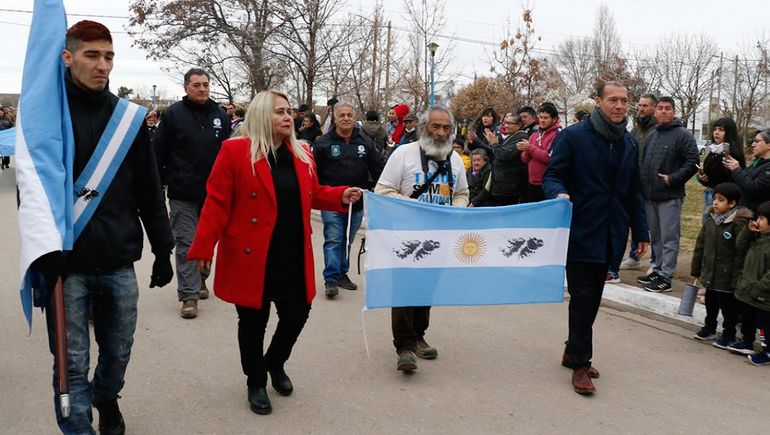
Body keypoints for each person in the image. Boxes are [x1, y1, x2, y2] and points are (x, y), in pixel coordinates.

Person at [28, 20, 174, 433]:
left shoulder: (128, 121)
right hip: (65, 263)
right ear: (68, 57)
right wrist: (43, 254)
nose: (102, 65)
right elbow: (32, 194)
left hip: (116, 259)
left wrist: (163, 249)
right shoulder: (46, 119)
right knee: (71, 362)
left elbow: (149, 187)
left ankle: (107, 395)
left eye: (108, 56)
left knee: (119, 350)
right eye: (92, 55)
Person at [187, 90, 362, 415]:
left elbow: (312, 193)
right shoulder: (235, 151)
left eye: (289, 111)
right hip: (251, 255)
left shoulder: (302, 153)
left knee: (297, 313)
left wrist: (340, 195)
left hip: (292, 253)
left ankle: (274, 363)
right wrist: (204, 246)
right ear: (261, 115)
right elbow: (216, 202)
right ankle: (255, 381)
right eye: (279, 111)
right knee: (253, 322)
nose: (287, 117)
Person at [542, 80, 649, 395]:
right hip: (580, 229)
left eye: (624, 101)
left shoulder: (629, 143)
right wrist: (558, 192)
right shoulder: (573, 137)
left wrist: (641, 232)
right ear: (598, 102)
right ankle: (580, 364)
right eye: (613, 100)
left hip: (612, 234)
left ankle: (571, 349)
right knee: (583, 296)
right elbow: (552, 174)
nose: (619, 106)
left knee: (593, 297)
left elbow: (634, 192)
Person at [374, 106, 469, 372]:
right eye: (435, 127)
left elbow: (462, 193)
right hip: (406, 237)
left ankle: (419, 335)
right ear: (423, 127)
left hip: (439, 239)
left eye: (445, 128)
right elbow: (382, 190)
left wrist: (457, 210)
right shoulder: (403, 155)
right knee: (405, 289)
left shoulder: (455, 160)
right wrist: (413, 207)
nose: (440, 133)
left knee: (426, 289)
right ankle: (404, 346)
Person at [154, 68, 231, 318]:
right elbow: (158, 152)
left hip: (215, 194)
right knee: (187, 243)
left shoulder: (220, 115)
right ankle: (189, 295)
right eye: (196, 85)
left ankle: (200, 278)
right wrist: (161, 182)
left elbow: (230, 153)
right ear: (186, 87)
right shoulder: (174, 115)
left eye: (206, 84)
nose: (202, 89)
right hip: (182, 193)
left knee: (208, 242)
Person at [313, 102, 385, 297]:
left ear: (354, 118)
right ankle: (330, 279)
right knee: (334, 238)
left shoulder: (365, 142)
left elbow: (378, 168)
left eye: (349, 115)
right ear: (335, 119)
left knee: (347, 240)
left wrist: (382, 189)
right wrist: (318, 194)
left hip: (357, 202)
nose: (345, 118)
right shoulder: (323, 143)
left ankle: (342, 273)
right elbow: (314, 174)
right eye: (342, 115)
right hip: (332, 201)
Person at [636, 97, 699, 293]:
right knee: (656, 237)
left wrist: (672, 179)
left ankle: (666, 276)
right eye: (660, 108)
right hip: (650, 195)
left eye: (668, 109)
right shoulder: (653, 134)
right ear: (655, 112)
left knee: (670, 237)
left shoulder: (683, 135)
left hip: (670, 196)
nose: (663, 112)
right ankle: (658, 270)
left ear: (674, 112)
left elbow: (693, 161)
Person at [690, 183, 752, 347]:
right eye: (715, 198)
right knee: (710, 302)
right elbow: (700, 246)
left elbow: (741, 251)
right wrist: (696, 269)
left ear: (732, 204)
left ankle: (729, 333)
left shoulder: (739, 224)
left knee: (728, 307)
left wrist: (738, 276)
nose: (715, 202)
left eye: (721, 200)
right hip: (710, 271)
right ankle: (709, 327)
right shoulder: (710, 220)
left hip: (728, 274)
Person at [617, 94, 658, 272]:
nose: (641, 109)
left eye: (645, 106)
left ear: (654, 108)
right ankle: (635, 257)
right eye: (640, 105)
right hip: (634, 184)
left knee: (654, 225)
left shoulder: (657, 130)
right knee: (635, 220)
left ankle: (656, 261)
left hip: (653, 185)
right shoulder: (634, 131)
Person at [733, 201, 770, 365]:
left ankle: (767, 351)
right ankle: (747, 342)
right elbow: (739, 246)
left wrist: (760, 287)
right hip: (750, 290)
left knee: (764, 326)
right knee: (747, 317)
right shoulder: (757, 237)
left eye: (762, 218)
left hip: (763, 295)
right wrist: (748, 233)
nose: (758, 221)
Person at [696, 118, 744, 220]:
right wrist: (702, 177)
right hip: (710, 193)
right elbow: (710, 175)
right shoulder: (714, 150)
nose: (716, 132)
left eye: (721, 130)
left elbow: (735, 179)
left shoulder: (731, 154)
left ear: (729, 133)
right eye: (715, 129)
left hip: (724, 199)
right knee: (708, 226)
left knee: (717, 228)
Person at [520, 102, 562, 202]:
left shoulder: (557, 134)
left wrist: (530, 148)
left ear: (554, 119)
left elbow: (549, 157)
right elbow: (524, 160)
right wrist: (525, 151)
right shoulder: (534, 134)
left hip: (547, 184)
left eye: (545, 118)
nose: (542, 120)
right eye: (541, 117)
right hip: (532, 183)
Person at [485, 113, 529, 205]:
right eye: (505, 123)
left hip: (508, 188)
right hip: (501, 186)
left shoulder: (521, 137)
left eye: (509, 123)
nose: (505, 126)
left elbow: (503, 155)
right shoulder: (511, 136)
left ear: (518, 125)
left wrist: (494, 144)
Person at [723, 128, 770, 215]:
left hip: (758, 219)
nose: (753, 145)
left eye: (757, 141)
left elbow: (753, 189)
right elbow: (742, 183)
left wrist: (736, 169)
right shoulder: (757, 164)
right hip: (745, 214)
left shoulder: (767, 168)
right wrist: (732, 169)